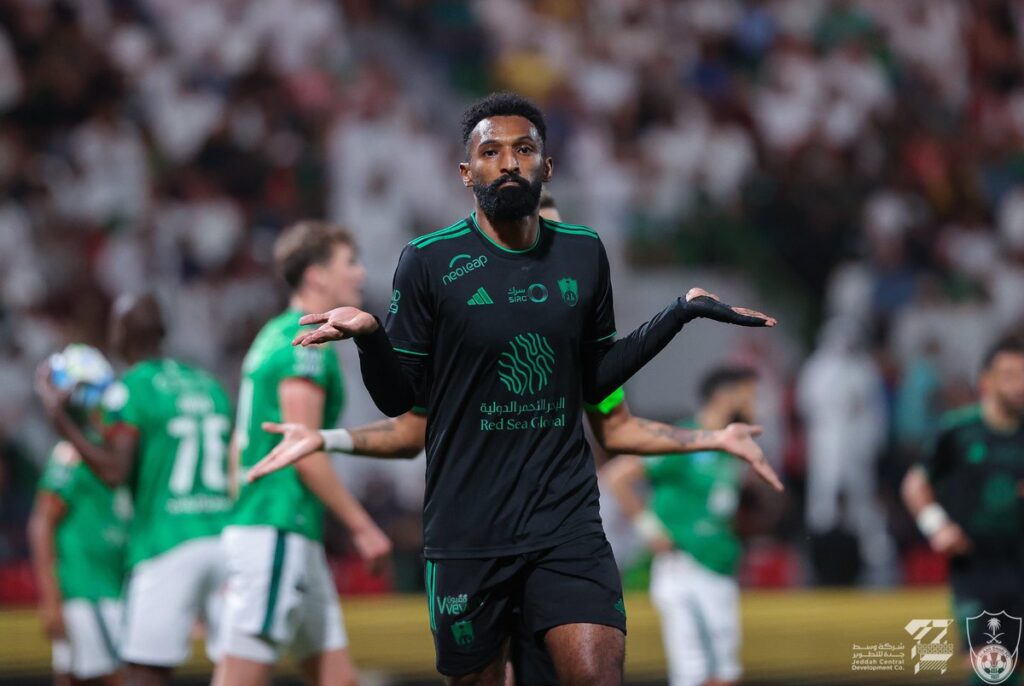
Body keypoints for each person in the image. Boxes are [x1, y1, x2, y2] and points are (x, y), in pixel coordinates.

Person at [268, 92, 781, 686]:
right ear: (466, 173)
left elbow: (598, 380)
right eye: (491, 152)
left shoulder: (584, 253)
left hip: (565, 524)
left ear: (547, 166)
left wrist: (678, 313)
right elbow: (400, 402)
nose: (509, 162)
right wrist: (371, 338)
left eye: (524, 149)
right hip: (469, 530)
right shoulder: (428, 261)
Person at [216, 221, 392, 686]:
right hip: (276, 526)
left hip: (284, 526)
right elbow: (304, 448)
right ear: (316, 276)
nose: (360, 272)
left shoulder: (272, 335)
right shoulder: (306, 347)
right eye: (349, 262)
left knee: (339, 680)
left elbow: (237, 449)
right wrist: (363, 527)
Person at [38, 294, 232, 686]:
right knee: (239, 668)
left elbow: (114, 471)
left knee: (143, 674)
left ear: (121, 334)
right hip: (223, 542)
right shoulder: (209, 385)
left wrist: (62, 422)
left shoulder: (130, 390)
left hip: (166, 542)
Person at [602, 366, 762, 686]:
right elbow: (617, 476)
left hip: (718, 565)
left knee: (723, 671)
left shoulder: (731, 447)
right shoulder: (686, 439)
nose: (757, 404)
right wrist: (651, 530)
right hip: (685, 564)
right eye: (750, 395)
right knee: (693, 670)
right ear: (726, 396)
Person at [902, 337, 1024, 682]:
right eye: (1010, 375)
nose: (1020, 385)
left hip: (1020, 560)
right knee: (990, 667)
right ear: (986, 381)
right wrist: (937, 525)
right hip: (976, 565)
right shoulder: (958, 431)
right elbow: (915, 484)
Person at [29, 431, 129, 686]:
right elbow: (42, 523)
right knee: (121, 677)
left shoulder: (129, 451)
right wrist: (50, 598)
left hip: (115, 586)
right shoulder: (74, 453)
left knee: (73, 679)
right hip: (88, 590)